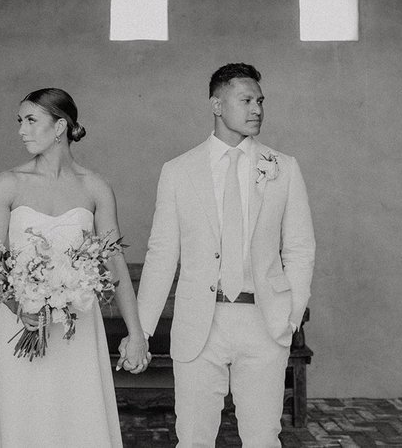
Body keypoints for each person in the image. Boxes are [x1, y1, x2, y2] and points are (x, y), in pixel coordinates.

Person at [127, 63, 316, 447]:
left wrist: (291, 314)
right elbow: (162, 254)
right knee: (194, 438)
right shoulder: (178, 171)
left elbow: (299, 246)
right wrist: (141, 331)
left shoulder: (284, 168)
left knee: (263, 438)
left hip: (264, 321)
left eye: (260, 101)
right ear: (216, 104)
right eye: (246, 100)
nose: (257, 109)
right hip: (200, 322)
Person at [0, 88, 149, 447]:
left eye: (31, 120)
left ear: (60, 127)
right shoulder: (8, 183)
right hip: (20, 323)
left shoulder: (96, 187)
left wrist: (136, 335)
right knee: (24, 422)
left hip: (78, 330)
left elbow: (115, 264)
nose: (21, 130)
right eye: (20, 121)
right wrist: (18, 308)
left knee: (78, 423)